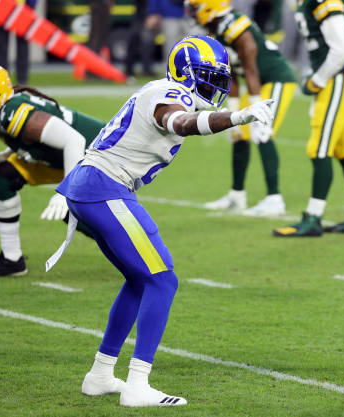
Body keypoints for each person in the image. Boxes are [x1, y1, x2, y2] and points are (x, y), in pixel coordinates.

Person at [47, 35, 274, 407]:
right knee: (163, 280)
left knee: (140, 280)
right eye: (206, 75)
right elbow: (180, 122)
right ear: (184, 73)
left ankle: (101, 374)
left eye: (219, 76)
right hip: (104, 185)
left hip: (93, 185)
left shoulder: (165, 89)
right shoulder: (170, 93)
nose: (215, 83)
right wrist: (238, 117)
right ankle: (138, 385)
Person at [187, 0, 297, 216]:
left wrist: (255, 106)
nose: (192, 12)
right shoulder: (215, 28)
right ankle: (237, 195)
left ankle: (275, 199)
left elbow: (250, 67)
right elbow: (231, 73)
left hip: (275, 78)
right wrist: (233, 111)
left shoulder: (234, 24)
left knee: (261, 132)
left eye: (195, 7)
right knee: (238, 133)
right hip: (256, 81)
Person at [273, 0, 344, 237]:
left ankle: (313, 217)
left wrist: (317, 79)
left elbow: (341, 49)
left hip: (337, 78)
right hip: (337, 78)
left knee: (318, 148)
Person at [0, 66, 104, 276]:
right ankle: (12, 260)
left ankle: (134, 250)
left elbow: (74, 140)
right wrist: (5, 154)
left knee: (72, 211)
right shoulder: (8, 109)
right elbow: (27, 138)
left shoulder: (12, 112)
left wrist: (67, 192)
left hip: (98, 155)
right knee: (2, 176)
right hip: (59, 156)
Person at [0, 0, 37, 85]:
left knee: (22, 43)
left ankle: (22, 80)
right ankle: (2, 78)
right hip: (3, 5)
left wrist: (31, 4)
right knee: (1, 44)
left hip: (24, 5)